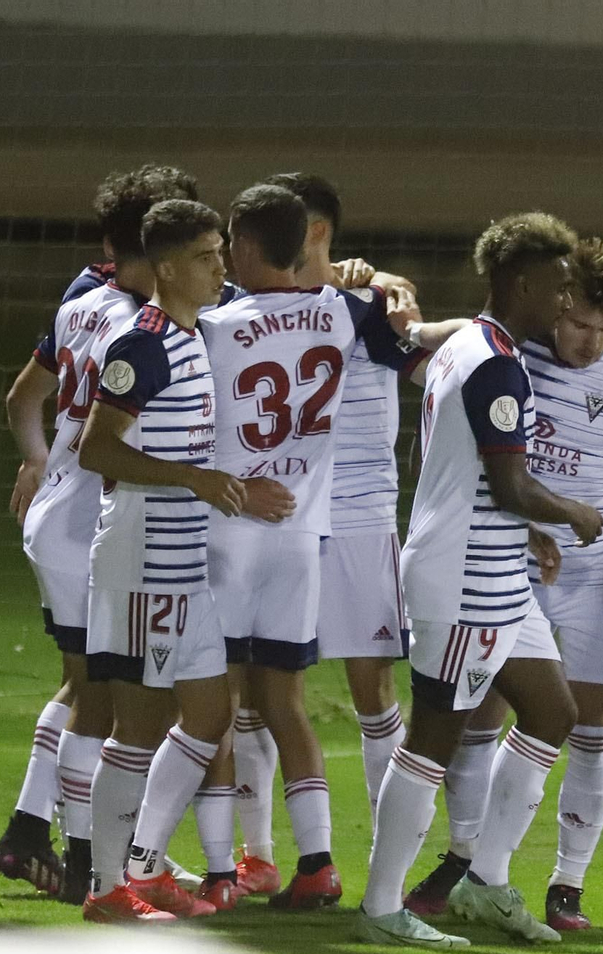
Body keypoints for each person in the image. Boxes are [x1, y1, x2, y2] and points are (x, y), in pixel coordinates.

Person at [400, 238, 603, 932]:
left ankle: (566, 884)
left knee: (594, 728)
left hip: (599, 576)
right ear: (557, 304)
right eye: (577, 323)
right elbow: (461, 442)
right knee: (479, 718)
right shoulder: (512, 352)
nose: (589, 341)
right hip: (511, 564)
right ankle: (466, 861)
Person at [356, 212, 603, 950]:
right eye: (558, 286)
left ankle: (485, 882)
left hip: (494, 570)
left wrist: (523, 528)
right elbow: (510, 483)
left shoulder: (469, 343)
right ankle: (381, 907)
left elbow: (457, 468)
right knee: (434, 737)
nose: (566, 301)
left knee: (553, 712)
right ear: (521, 283)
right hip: (464, 578)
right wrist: (572, 514)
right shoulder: (494, 363)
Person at [200, 183, 419, 908]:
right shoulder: (351, 310)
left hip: (275, 523)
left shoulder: (217, 321)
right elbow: (414, 346)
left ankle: (212, 870)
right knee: (273, 700)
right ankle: (283, 859)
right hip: (300, 521)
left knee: (229, 699)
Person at [75, 199, 293, 921]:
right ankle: (106, 888)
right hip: (143, 561)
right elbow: (96, 450)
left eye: (220, 251)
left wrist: (232, 490)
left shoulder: (194, 334)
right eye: (205, 256)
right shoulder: (141, 346)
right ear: (166, 269)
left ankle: (144, 867)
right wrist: (193, 480)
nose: (220, 266)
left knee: (207, 715)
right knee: (137, 728)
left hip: (183, 562)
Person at [0, 164, 198, 902]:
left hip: (58, 515)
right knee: (109, 700)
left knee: (83, 684)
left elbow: (22, 398)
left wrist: (37, 461)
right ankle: (89, 860)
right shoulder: (145, 326)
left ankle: (32, 829)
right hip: (93, 524)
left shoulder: (81, 300)